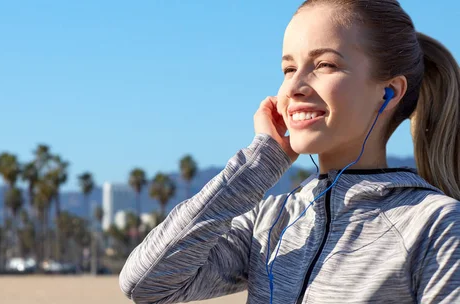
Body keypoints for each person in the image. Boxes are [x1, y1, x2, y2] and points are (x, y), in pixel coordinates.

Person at [119, 0, 460, 303]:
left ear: (389, 91)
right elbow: (147, 286)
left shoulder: (435, 225)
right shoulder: (268, 222)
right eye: (289, 69)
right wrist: (261, 162)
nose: (295, 87)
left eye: (325, 64)